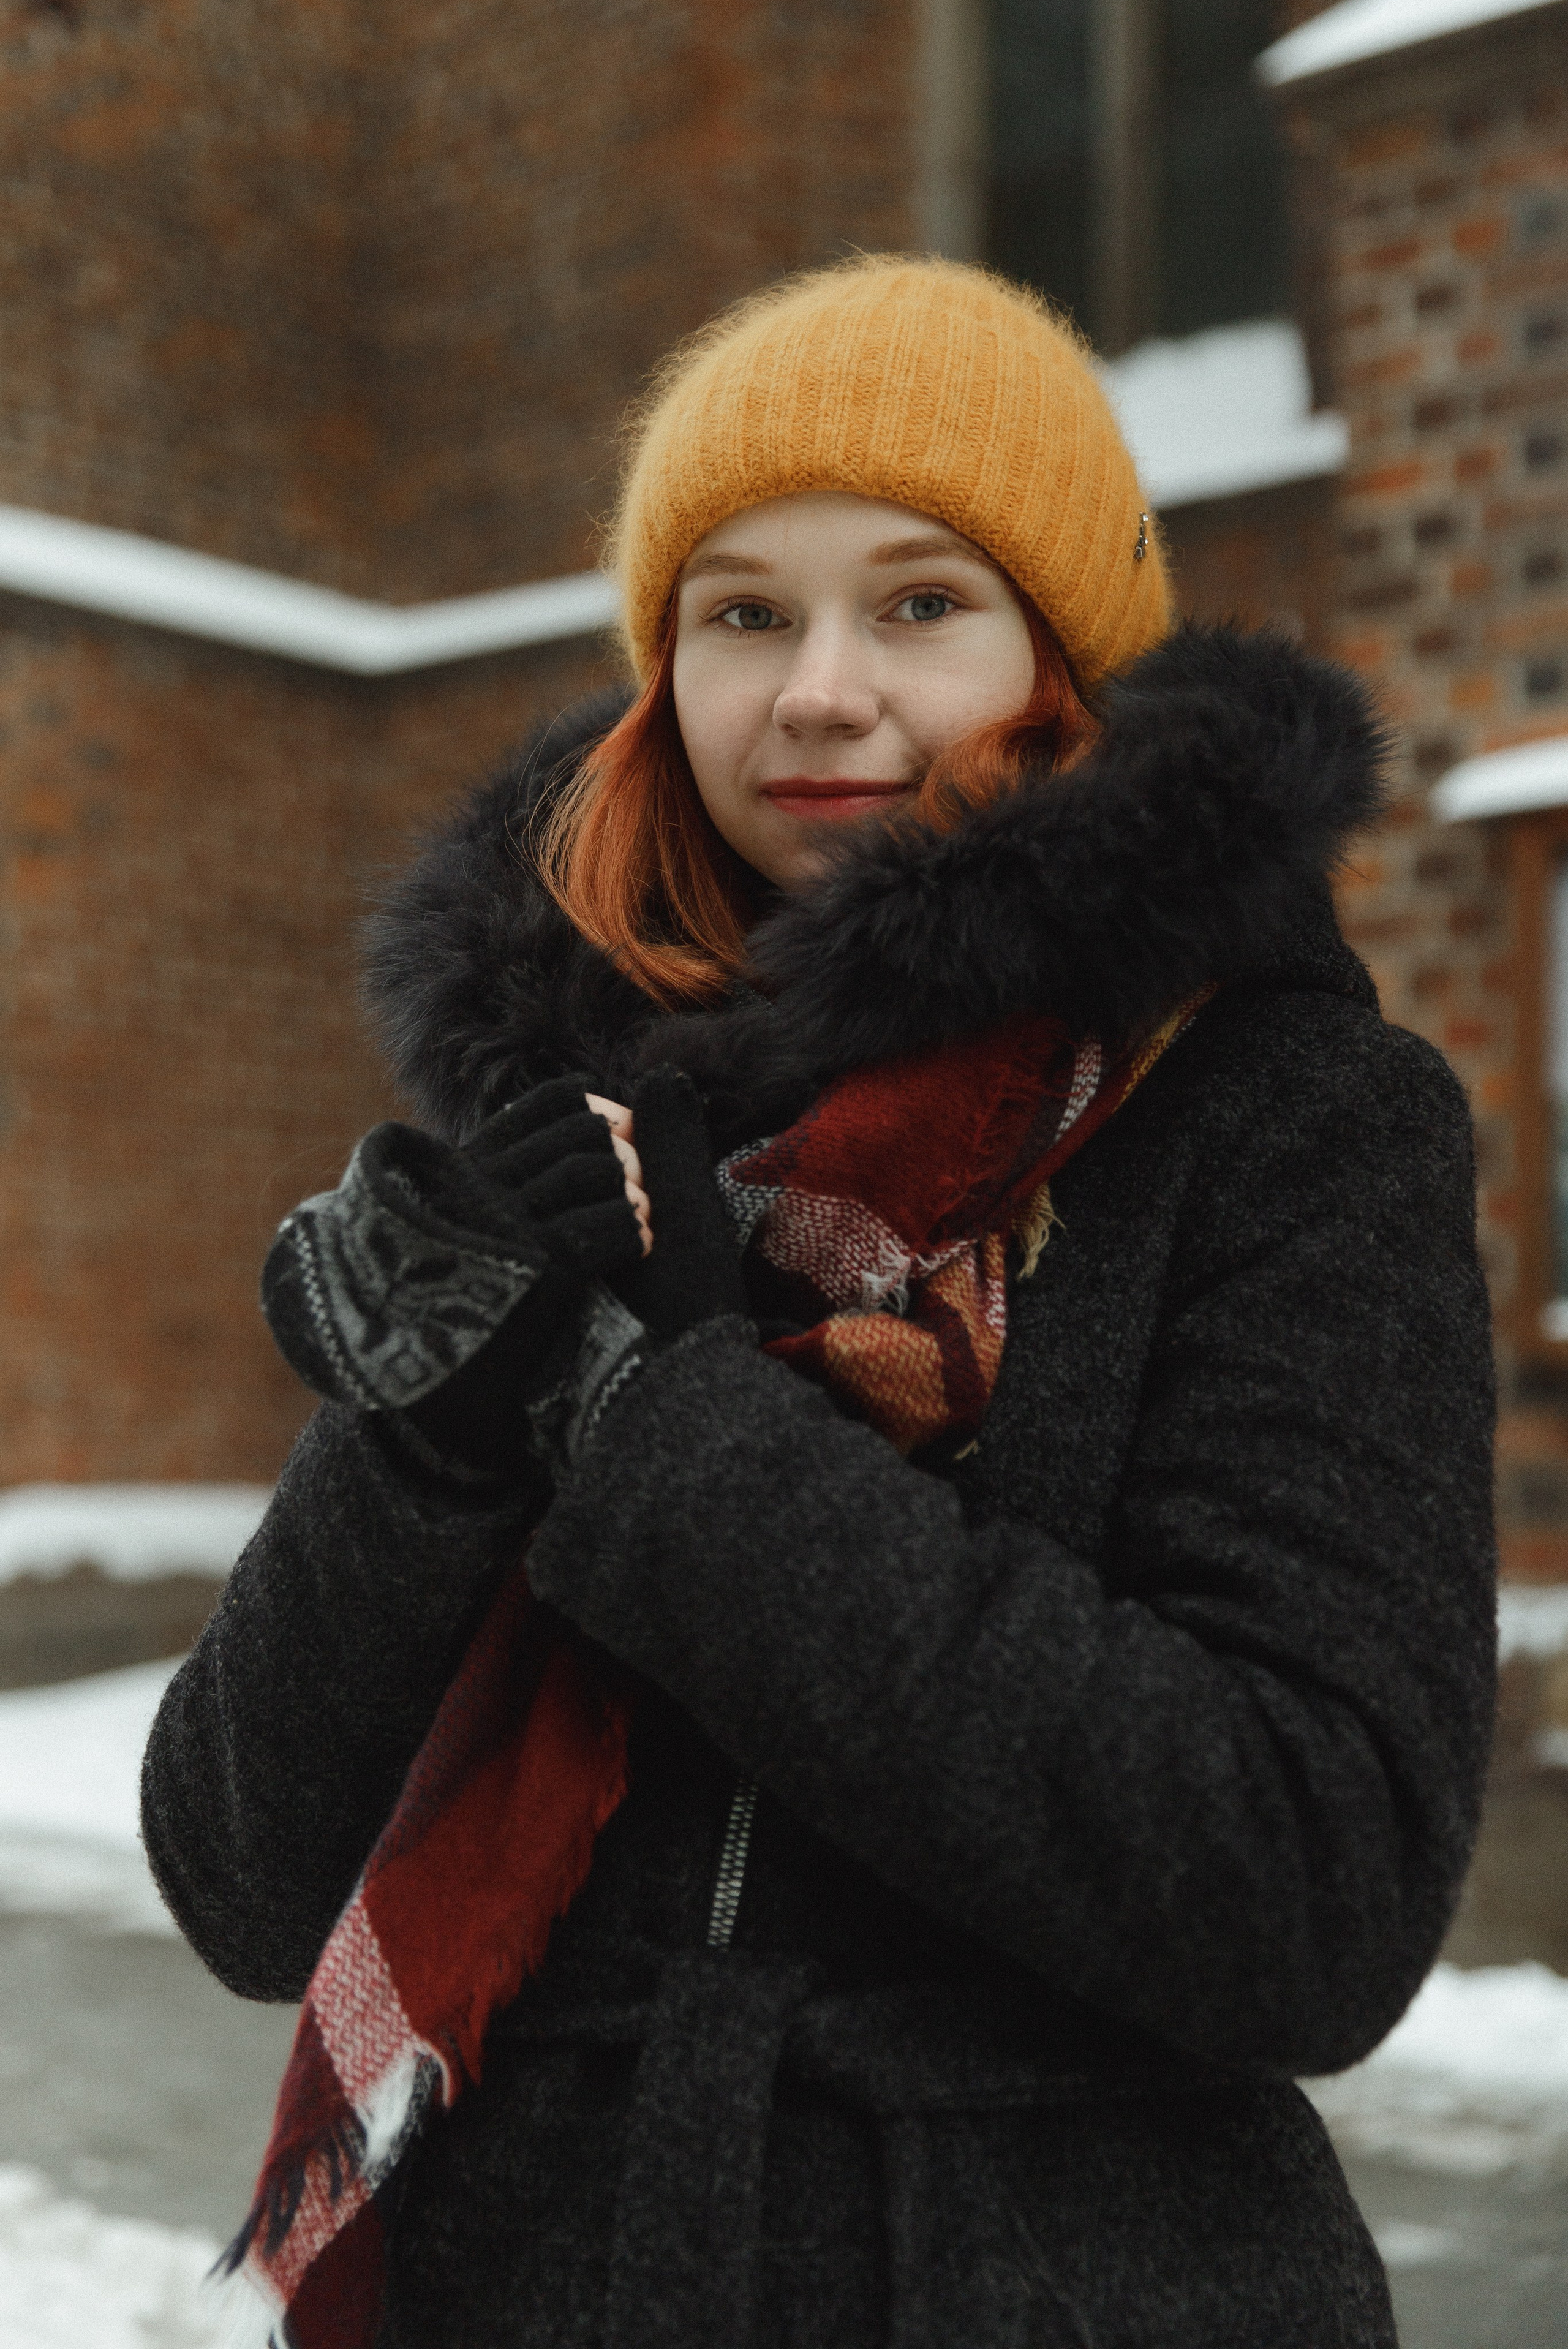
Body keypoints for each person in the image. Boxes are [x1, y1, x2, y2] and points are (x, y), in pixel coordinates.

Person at [142, 255, 1497, 2349]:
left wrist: (647, 1433)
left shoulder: (1283, 1116)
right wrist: (436, 1422)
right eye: (743, 610)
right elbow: (240, 1875)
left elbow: (1304, 1887)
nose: (819, 691)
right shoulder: (578, 1117)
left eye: (921, 602)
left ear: (1066, 649)